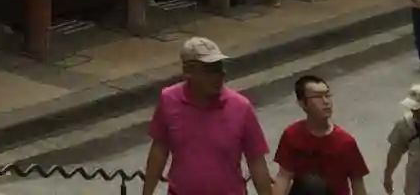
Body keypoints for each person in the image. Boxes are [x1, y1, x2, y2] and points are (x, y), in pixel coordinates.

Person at [143, 35, 274, 195]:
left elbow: (256, 162)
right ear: (188, 72)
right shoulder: (168, 100)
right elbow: (159, 149)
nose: (218, 76)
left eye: (219, 68)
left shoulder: (241, 107)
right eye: (209, 71)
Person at [275, 73, 370, 195]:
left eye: (327, 95)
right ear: (302, 103)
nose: (326, 101)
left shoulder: (345, 142)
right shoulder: (292, 135)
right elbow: (284, 176)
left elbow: (357, 184)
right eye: (318, 97)